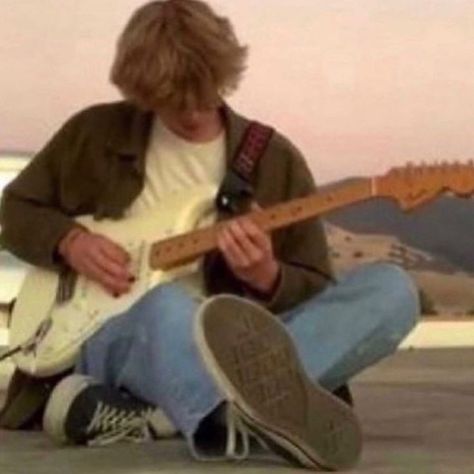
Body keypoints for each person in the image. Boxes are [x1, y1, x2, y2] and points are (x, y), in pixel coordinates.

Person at [0, 0, 419, 470]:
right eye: (176, 102)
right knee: (168, 308)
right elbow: (13, 210)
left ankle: (179, 417)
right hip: (113, 340)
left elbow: (315, 286)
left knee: (392, 290)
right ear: (141, 90)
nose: (195, 112)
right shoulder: (93, 134)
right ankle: (255, 410)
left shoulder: (273, 159)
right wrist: (69, 241)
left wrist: (267, 277)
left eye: (206, 93)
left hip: (236, 344)